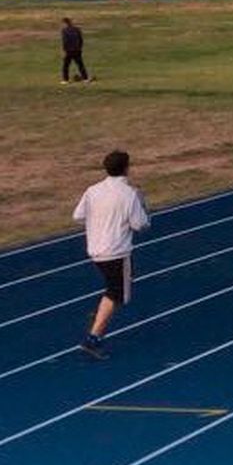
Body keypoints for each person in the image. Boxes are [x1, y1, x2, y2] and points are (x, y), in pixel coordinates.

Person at [74, 150, 150, 359]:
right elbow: (140, 224)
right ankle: (93, 337)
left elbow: (78, 216)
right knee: (118, 295)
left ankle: (101, 313)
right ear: (127, 168)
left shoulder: (92, 190)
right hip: (116, 251)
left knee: (116, 288)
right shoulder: (130, 194)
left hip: (95, 249)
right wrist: (142, 204)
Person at [60, 17, 91, 84]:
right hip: (77, 50)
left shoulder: (64, 30)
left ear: (65, 23)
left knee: (66, 65)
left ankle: (65, 80)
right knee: (80, 64)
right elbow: (81, 40)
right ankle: (85, 78)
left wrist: (64, 50)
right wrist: (80, 48)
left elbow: (65, 41)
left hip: (69, 50)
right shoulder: (77, 29)